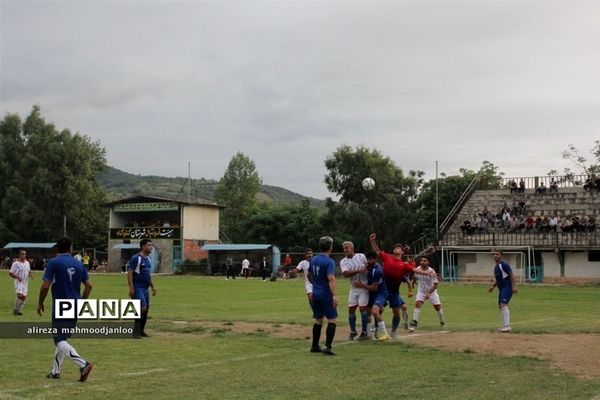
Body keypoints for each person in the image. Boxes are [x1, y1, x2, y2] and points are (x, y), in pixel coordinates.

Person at [37, 237, 94, 382]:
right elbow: (89, 286)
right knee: (63, 339)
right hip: (75, 305)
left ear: (57, 249)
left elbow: (45, 286)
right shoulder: (79, 263)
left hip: (61, 305)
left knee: (59, 339)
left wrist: (40, 303)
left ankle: (83, 364)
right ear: (70, 248)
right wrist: (81, 301)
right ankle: (55, 372)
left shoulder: (54, 263)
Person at [369, 233, 435, 339]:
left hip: (394, 292)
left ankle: (393, 332)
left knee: (397, 313)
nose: (397, 248)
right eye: (396, 247)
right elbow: (377, 251)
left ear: (402, 252)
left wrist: (428, 273)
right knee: (378, 310)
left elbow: (415, 270)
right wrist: (372, 240)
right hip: (383, 290)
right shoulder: (387, 257)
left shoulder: (404, 265)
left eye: (399, 248)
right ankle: (377, 327)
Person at [307, 236, 338, 355]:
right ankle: (328, 347)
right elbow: (331, 278)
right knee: (332, 319)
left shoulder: (313, 259)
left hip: (315, 294)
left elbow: (309, 275)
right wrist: (334, 295)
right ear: (330, 247)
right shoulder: (330, 262)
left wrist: (315, 284)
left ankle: (314, 346)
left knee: (318, 320)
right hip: (326, 295)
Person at [354, 251, 389, 341]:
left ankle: (385, 334)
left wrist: (361, 285)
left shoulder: (377, 271)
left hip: (380, 293)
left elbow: (374, 288)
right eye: (367, 259)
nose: (368, 261)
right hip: (372, 293)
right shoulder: (369, 267)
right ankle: (368, 334)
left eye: (370, 259)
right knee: (368, 312)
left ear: (375, 259)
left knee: (375, 311)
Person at [128, 239, 157, 338]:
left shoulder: (148, 259)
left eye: (151, 245)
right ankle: (135, 332)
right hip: (138, 287)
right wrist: (131, 287)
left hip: (145, 288)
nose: (151, 247)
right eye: (149, 245)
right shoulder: (136, 258)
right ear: (143, 247)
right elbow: (130, 273)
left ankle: (141, 330)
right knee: (142, 307)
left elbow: (147, 275)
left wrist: (152, 286)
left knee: (146, 309)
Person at [339, 241, 369, 340]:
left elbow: (368, 267)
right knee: (351, 309)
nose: (345, 250)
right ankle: (353, 331)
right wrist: (358, 270)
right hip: (353, 287)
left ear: (352, 248)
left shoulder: (361, 256)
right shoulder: (343, 261)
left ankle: (364, 332)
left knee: (362, 309)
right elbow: (346, 274)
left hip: (364, 287)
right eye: (344, 248)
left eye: (346, 248)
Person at [408, 255, 445, 332]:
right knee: (418, 304)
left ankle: (442, 322)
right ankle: (415, 321)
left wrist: (429, 293)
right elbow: (415, 277)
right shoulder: (417, 269)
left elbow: (435, 285)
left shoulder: (432, 271)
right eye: (422, 260)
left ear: (428, 262)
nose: (423, 262)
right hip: (421, 291)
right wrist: (413, 283)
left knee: (437, 307)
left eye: (425, 261)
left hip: (432, 291)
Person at [488, 250, 518, 333]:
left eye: (497, 254)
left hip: (507, 287)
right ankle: (505, 326)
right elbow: (499, 279)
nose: (495, 255)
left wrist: (513, 287)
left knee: (503, 305)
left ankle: (508, 326)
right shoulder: (496, 267)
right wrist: (492, 287)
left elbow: (511, 275)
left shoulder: (503, 264)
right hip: (501, 289)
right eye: (494, 254)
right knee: (500, 307)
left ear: (501, 256)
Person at [9, 249, 33, 315]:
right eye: (22, 254)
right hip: (18, 282)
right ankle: (15, 310)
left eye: (25, 254)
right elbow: (10, 273)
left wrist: (30, 274)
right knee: (20, 296)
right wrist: (17, 277)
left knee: (24, 297)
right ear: (19, 255)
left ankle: (19, 311)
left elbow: (29, 270)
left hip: (25, 283)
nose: (24, 255)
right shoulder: (15, 263)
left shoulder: (27, 263)